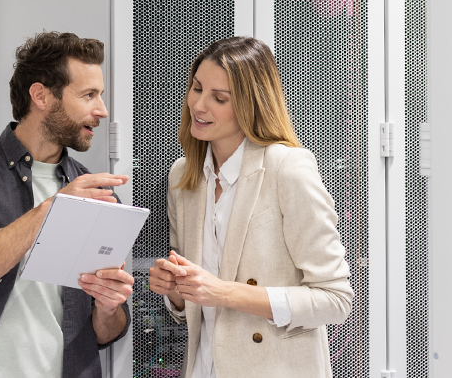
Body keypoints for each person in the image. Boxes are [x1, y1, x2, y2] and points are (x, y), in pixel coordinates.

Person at [0, 31, 134, 378]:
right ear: (40, 95)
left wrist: (110, 308)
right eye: (88, 95)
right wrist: (52, 208)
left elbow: (105, 333)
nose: (102, 110)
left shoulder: (96, 192)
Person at [147, 36, 354, 378]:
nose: (199, 106)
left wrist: (225, 292)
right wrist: (177, 292)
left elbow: (334, 299)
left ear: (251, 103)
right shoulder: (183, 176)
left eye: (219, 98)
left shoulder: (288, 168)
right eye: (197, 89)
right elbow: (192, 311)